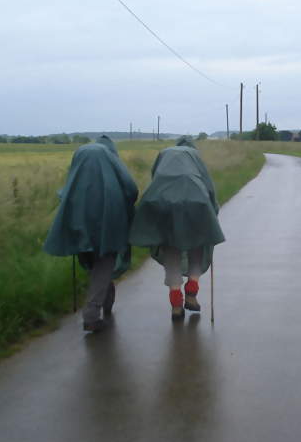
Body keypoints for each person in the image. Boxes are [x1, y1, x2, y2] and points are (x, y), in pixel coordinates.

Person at [44, 135, 138, 332]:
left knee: (95, 263)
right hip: (108, 221)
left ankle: (105, 295)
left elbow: (65, 191)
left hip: (79, 221)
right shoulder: (110, 161)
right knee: (105, 261)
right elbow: (131, 188)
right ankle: (91, 315)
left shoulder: (80, 159)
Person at [130, 136, 224, 320]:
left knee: (170, 248)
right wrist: (212, 210)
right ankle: (192, 289)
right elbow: (208, 185)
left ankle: (175, 304)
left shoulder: (165, 154)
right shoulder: (194, 155)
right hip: (196, 199)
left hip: (163, 199)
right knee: (198, 244)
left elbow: (154, 176)